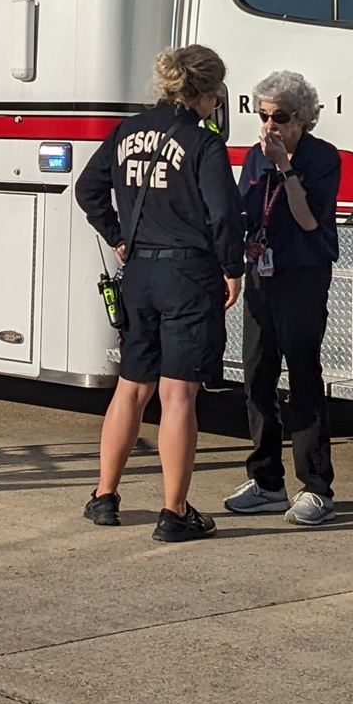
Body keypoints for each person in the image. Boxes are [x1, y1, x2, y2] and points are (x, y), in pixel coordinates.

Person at [73, 44, 243, 542]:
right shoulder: (203, 143)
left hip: (140, 273)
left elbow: (88, 189)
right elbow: (223, 215)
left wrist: (119, 236)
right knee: (178, 393)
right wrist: (232, 268)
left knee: (131, 385)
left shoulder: (127, 130)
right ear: (207, 93)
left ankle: (105, 496)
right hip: (188, 276)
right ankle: (174, 511)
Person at [223, 70, 344, 526]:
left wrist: (286, 169)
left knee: (303, 376)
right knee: (256, 374)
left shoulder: (321, 158)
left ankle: (316, 487)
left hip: (302, 275)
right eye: (264, 115)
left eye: (281, 117)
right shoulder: (255, 159)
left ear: (303, 118)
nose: (271, 125)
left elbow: (310, 220)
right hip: (261, 273)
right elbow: (244, 210)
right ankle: (267, 481)